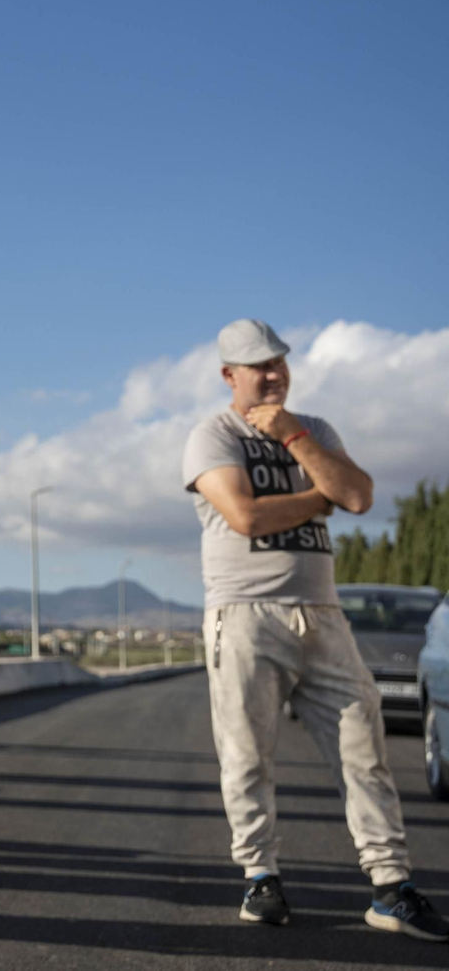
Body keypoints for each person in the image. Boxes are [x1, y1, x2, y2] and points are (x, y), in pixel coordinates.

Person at [183, 318, 447, 941]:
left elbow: (356, 496)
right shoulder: (212, 434)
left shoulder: (315, 430)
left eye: (279, 362)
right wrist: (315, 498)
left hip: (324, 616)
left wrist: (295, 436)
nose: (273, 374)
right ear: (229, 375)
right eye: (258, 366)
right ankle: (260, 875)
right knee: (247, 755)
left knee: (366, 748)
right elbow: (244, 516)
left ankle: (390, 886)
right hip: (245, 614)